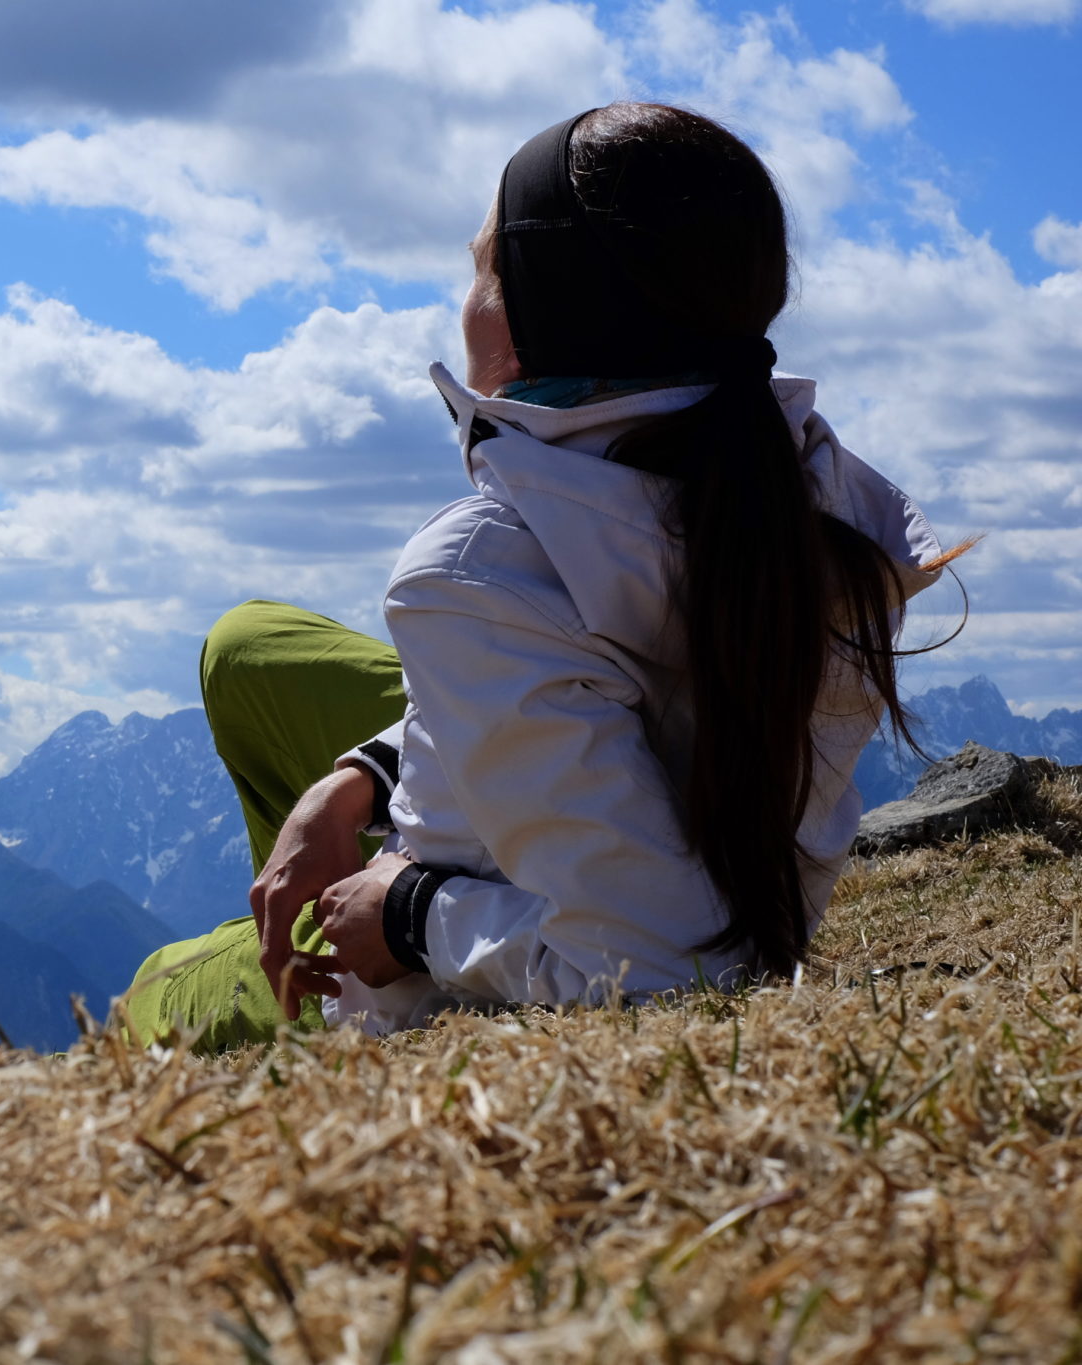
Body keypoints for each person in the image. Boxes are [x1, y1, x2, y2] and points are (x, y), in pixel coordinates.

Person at [125, 102, 966, 1051]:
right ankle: (316, 882)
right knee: (249, 647)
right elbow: (594, 674)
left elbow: (674, 965)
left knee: (150, 994)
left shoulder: (475, 573)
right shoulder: (807, 506)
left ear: (528, 330)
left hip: (479, 948)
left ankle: (308, 996)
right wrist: (363, 773)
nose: (466, 297)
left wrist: (408, 912)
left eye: (484, 269)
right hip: (542, 809)